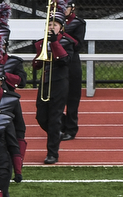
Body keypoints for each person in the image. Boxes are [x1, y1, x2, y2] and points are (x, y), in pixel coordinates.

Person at [32, 5, 75, 164]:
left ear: (61, 27)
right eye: (49, 24)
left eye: (54, 25)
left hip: (59, 83)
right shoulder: (41, 43)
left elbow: (65, 60)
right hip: (45, 82)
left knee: (54, 118)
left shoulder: (66, 42)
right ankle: (57, 131)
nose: (51, 27)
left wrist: (53, 43)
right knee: (41, 117)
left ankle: (52, 153)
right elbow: (37, 64)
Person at [61, 1, 86, 140]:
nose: (64, 10)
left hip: (72, 61)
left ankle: (71, 128)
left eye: (67, 7)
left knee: (72, 97)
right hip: (57, 62)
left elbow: (78, 45)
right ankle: (60, 125)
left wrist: (62, 33)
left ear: (72, 8)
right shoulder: (54, 21)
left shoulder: (78, 23)